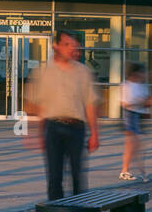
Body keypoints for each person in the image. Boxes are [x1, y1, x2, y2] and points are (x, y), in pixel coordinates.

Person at [24, 30, 100, 200]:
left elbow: (90, 104)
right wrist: (32, 134)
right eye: (66, 44)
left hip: (76, 128)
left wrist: (95, 133)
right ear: (56, 46)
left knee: (78, 176)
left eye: (73, 45)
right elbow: (36, 105)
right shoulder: (43, 72)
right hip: (53, 128)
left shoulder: (83, 72)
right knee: (54, 177)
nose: (70, 49)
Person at [119, 63, 150, 182]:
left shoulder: (143, 86)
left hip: (140, 116)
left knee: (138, 146)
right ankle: (126, 171)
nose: (144, 75)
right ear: (136, 73)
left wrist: (146, 103)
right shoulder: (126, 85)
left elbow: (147, 100)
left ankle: (140, 171)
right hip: (130, 115)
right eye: (142, 72)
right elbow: (125, 104)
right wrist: (140, 102)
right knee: (132, 145)